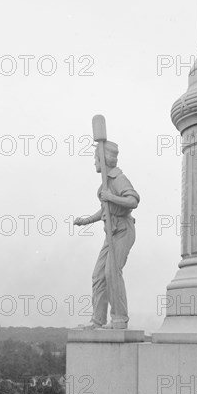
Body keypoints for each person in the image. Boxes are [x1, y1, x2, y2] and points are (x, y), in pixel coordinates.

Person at [74, 141, 139, 329]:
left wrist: (111, 197)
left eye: (96, 158)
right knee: (98, 275)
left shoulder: (118, 178)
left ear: (103, 159)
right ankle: (98, 319)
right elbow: (105, 209)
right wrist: (86, 221)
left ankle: (119, 318)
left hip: (123, 231)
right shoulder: (106, 181)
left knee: (112, 273)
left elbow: (132, 200)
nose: (94, 162)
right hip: (110, 232)